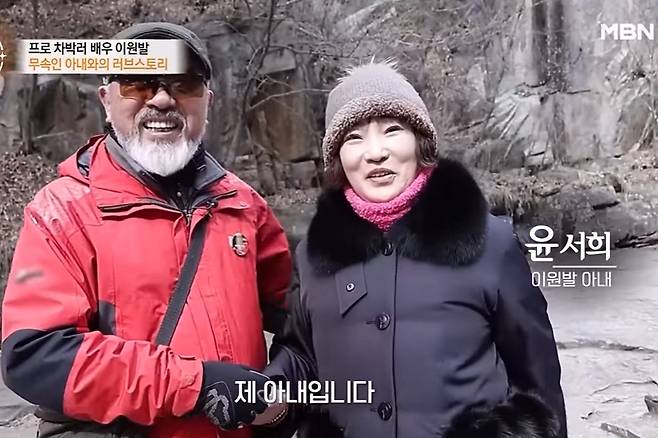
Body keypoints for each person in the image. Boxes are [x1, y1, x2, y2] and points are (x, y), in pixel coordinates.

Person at [1, 23, 293, 438]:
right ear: (107, 100)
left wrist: (281, 390)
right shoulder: (62, 211)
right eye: (138, 83)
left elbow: (306, 315)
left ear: (207, 101)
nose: (161, 99)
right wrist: (196, 385)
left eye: (183, 84)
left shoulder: (243, 204)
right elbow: (35, 356)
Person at [264, 61, 568, 438]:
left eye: (392, 130)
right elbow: (301, 359)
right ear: (337, 157)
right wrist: (264, 395)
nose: (375, 152)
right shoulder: (313, 255)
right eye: (354, 138)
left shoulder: (491, 243)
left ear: (420, 141)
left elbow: (539, 391)